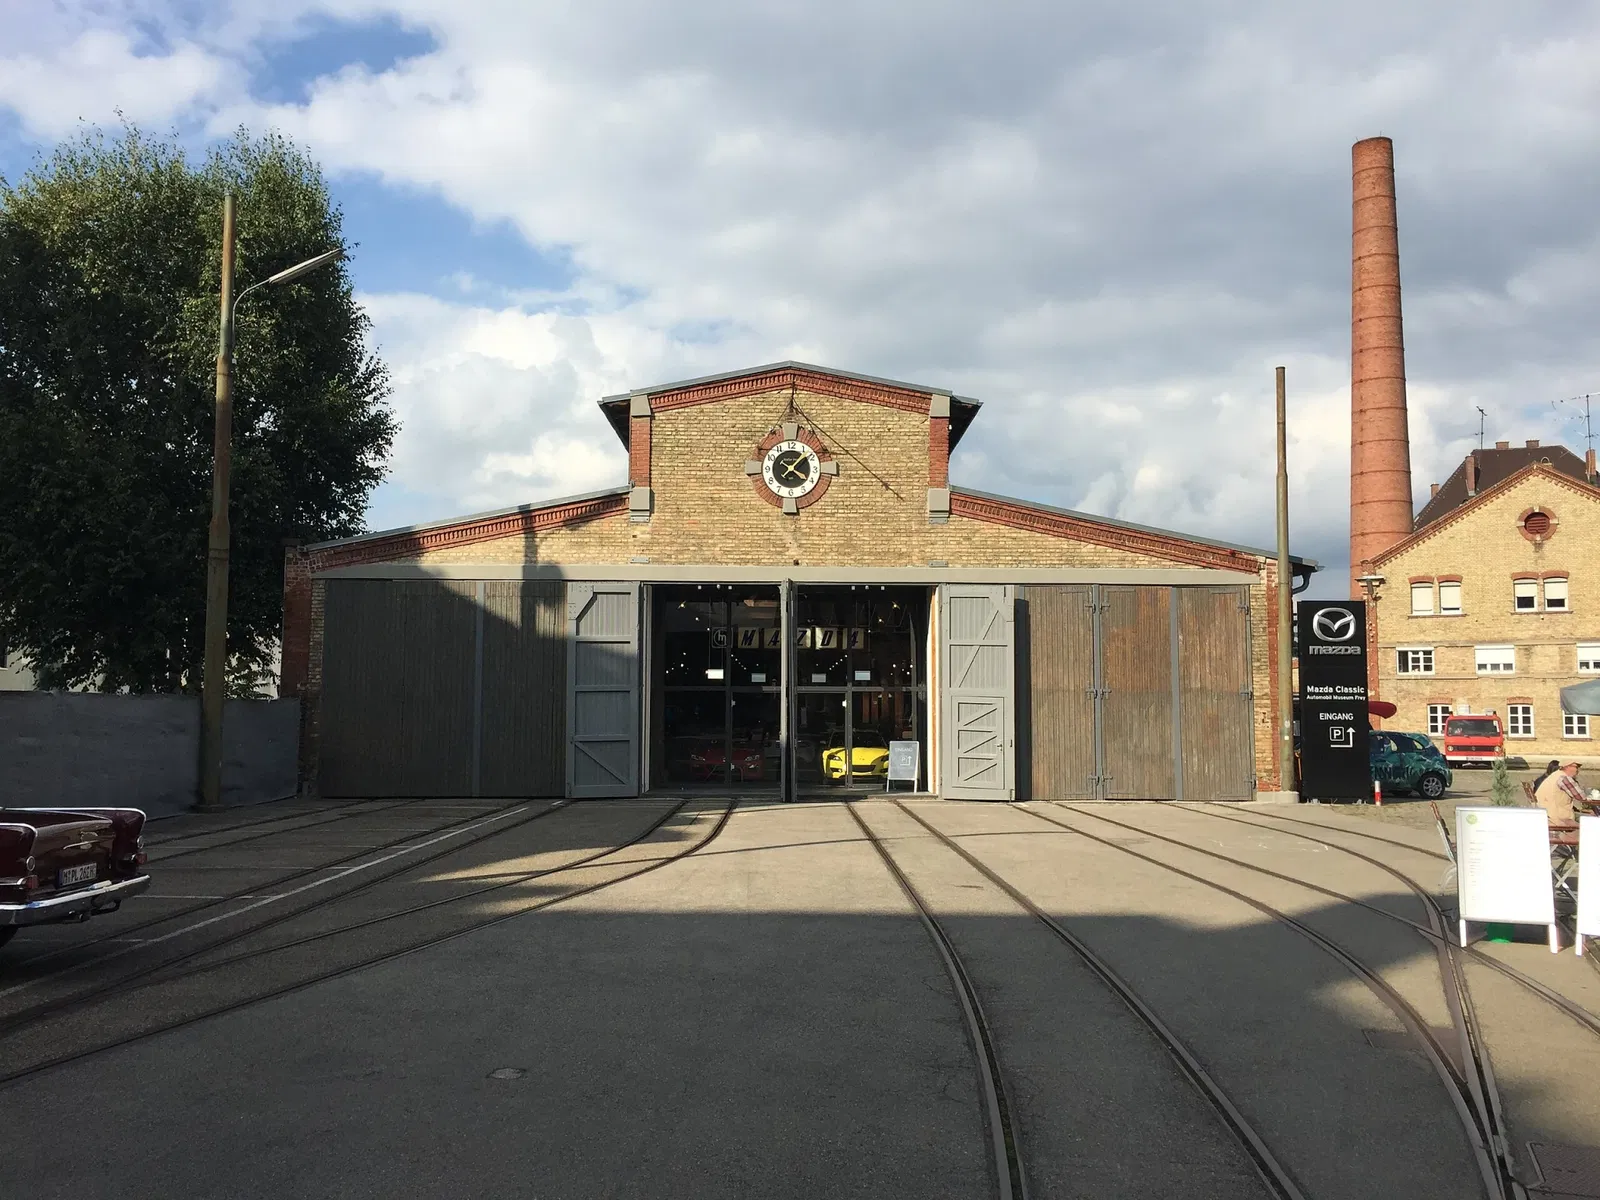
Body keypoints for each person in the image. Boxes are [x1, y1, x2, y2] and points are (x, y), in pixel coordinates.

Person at [1533, 761, 1591, 828]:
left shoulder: (1555, 775)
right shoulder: (1564, 778)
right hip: (1556, 817)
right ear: (1567, 766)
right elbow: (1581, 797)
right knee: (1590, 821)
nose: (1577, 770)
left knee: (1583, 816)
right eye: (1576, 767)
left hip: (1547, 813)